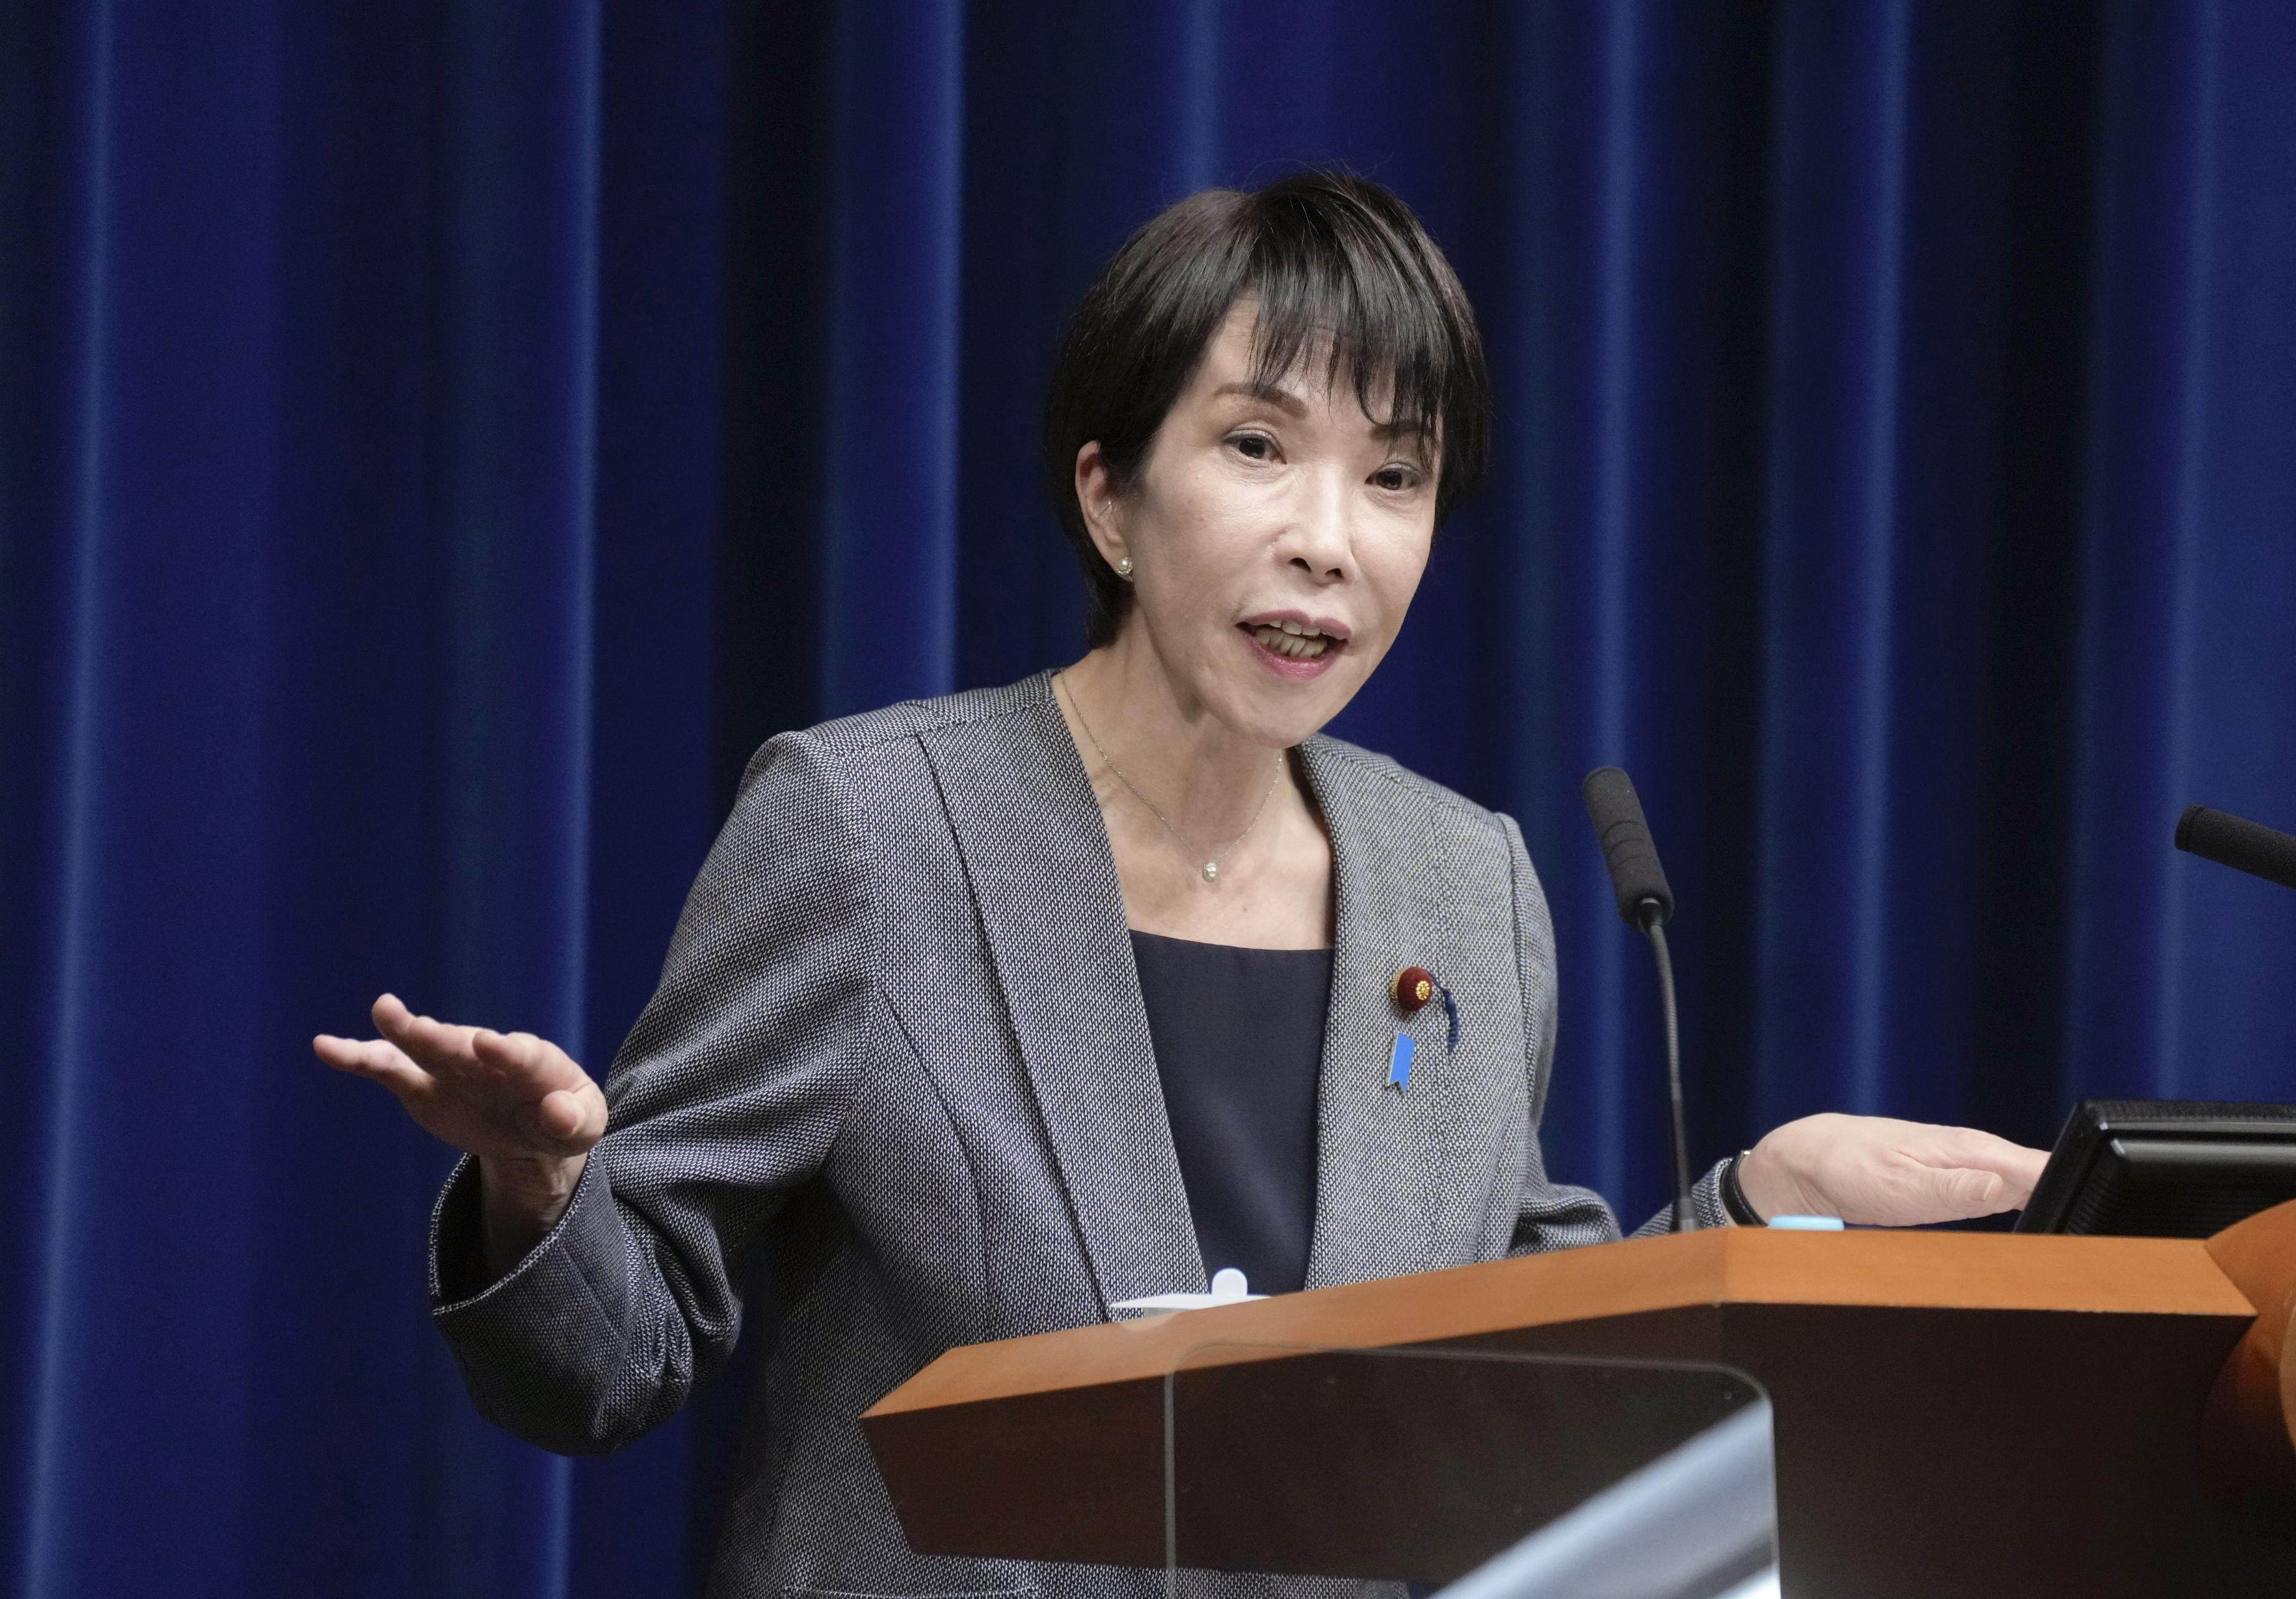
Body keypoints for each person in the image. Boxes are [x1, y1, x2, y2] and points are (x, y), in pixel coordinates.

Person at [315, 170, 2045, 1599]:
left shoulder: (1468, 883)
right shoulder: (873, 829)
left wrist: (1766, 1198)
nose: (1330, 537)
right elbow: (607, 1368)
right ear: (1110, 496)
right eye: (1258, 447)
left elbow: (1530, 1363)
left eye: (1397, 474)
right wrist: (546, 1193)